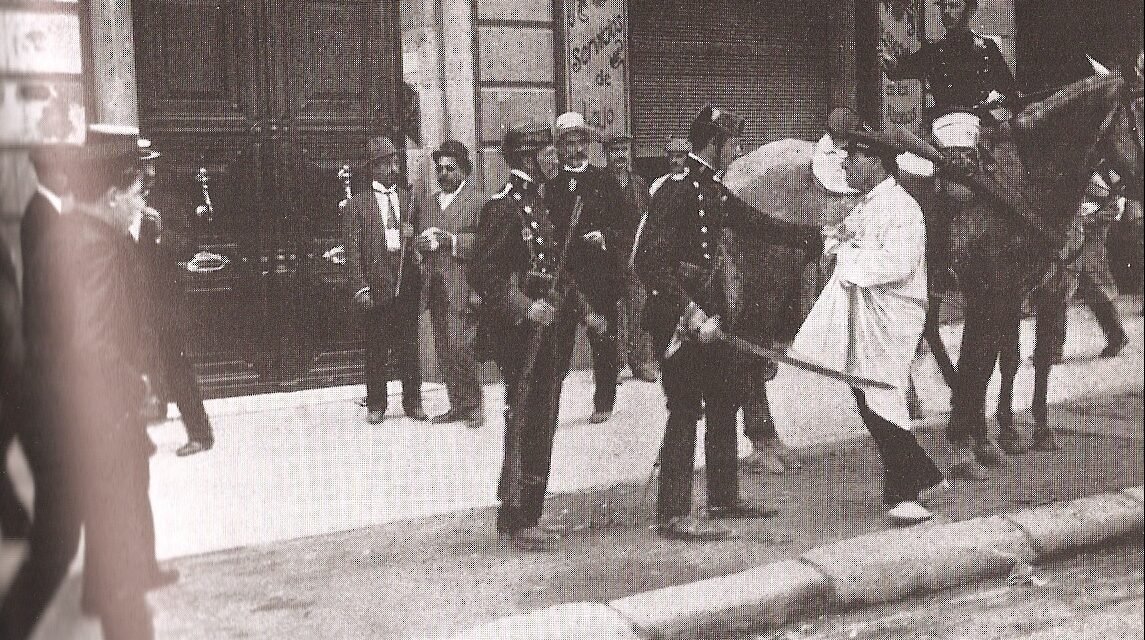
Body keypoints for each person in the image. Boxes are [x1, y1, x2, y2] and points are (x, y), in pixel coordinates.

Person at [0, 124, 176, 640]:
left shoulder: (65, 234)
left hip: (61, 424)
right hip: (96, 428)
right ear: (115, 193)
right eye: (137, 191)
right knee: (112, 566)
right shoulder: (98, 247)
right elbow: (89, 342)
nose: (140, 203)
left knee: (57, 552)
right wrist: (136, 382)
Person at [635, 105, 823, 541]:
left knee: (724, 400)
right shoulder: (675, 191)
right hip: (681, 322)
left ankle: (723, 497)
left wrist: (817, 237)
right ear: (715, 144)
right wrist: (690, 313)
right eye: (733, 143)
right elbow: (650, 262)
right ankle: (673, 512)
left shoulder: (712, 191)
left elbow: (759, 224)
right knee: (684, 409)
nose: (737, 150)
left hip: (716, 317)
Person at [791, 108, 945, 525]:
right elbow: (837, 241)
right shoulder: (865, 206)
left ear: (877, 162)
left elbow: (896, 262)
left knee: (881, 396)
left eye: (854, 159)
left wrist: (845, 258)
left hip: (893, 314)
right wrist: (836, 248)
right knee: (866, 394)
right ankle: (919, 475)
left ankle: (904, 492)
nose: (845, 164)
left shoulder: (903, 208)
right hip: (866, 313)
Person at [469, 122, 614, 550]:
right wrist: (523, 306)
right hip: (520, 337)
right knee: (526, 420)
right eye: (545, 151)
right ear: (526, 157)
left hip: (547, 332)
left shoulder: (539, 202)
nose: (554, 157)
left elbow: (558, 270)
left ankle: (527, 512)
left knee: (542, 420)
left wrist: (585, 311)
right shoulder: (504, 207)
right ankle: (515, 516)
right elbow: (485, 273)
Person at [547, 112, 635, 424]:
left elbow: (629, 225)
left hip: (599, 276)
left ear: (588, 144)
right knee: (557, 346)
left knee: (603, 342)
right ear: (558, 148)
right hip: (564, 278)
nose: (576, 149)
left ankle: (604, 402)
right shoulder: (551, 186)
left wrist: (606, 237)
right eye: (569, 144)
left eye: (581, 142)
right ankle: (549, 407)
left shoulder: (605, 181)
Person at [135, 138, 215, 456]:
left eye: (150, 164)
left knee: (177, 366)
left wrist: (158, 233)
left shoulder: (169, 203)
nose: (147, 171)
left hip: (164, 300)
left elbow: (186, 246)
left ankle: (200, 433)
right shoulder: (118, 201)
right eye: (141, 166)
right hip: (129, 298)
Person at [344, 135, 427, 424]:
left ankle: (413, 401)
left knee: (408, 346)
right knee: (376, 347)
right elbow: (353, 251)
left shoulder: (408, 198)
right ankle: (377, 403)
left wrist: (412, 238)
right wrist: (360, 287)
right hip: (377, 285)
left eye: (395, 161)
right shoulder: (357, 205)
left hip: (406, 282)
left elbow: (420, 239)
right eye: (386, 163)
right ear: (372, 168)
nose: (393, 168)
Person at [414, 140, 485, 428]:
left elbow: (484, 244)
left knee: (461, 347)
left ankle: (474, 405)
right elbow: (418, 238)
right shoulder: (428, 203)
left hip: (462, 287)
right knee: (443, 348)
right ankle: (456, 404)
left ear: (464, 171)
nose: (443, 174)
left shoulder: (478, 201)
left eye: (449, 169)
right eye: (439, 169)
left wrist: (452, 241)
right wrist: (419, 244)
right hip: (435, 287)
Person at [606, 135, 659, 383]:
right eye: (615, 151)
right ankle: (615, 364)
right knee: (615, 312)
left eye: (624, 150)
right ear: (607, 155)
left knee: (639, 308)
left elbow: (648, 219)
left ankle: (641, 361)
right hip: (610, 255)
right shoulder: (602, 182)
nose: (620, 156)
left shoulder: (639, 184)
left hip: (636, 256)